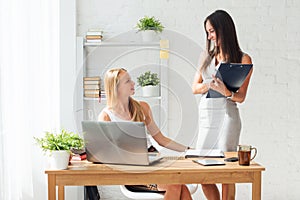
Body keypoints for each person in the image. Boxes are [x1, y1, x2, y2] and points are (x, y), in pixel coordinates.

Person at [98, 68, 192, 200]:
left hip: (153, 163)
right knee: (176, 185)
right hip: (132, 172)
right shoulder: (106, 116)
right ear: (116, 87)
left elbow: (161, 139)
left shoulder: (142, 108)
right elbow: (105, 153)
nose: (133, 83)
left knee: (180, 186)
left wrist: (189, 150)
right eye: (128, 81)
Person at [192, 10, 253, 200]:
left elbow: (240, 97)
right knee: (201, 169)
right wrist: (209, 85)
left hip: (228, 116)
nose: (209, 36)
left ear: (223, 29)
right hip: (207, 115)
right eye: (207, 33)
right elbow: (194, 87)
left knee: (228, 170)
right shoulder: (207, 57)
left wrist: (226, 92)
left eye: (212, 31)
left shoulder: (243, 59)